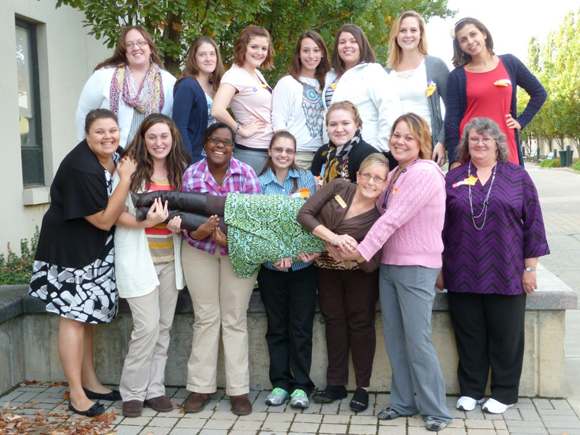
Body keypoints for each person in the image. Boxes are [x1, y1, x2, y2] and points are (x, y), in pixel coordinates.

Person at [341, 113, 452, 431]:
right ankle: (403, 402)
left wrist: (359, 253)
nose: (400, 142)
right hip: (389, 265)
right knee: (394, 339)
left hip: (417, 266)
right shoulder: (396, 172)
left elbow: (392, 219)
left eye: (409, 137)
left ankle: (437, 410)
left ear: (422, 142)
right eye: (396, 135)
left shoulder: (426, 173)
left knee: (418, 340)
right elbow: (377, 208)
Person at [29, 109, 137, 417]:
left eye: (112, 130)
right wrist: (125, 179)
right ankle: (76, 394)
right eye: (100, 132)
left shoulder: (113, 154)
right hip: (70, 252)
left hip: (92, 250)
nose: (108, 137)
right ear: (87, 135)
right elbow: (104, 220)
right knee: (73, 318)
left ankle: (90, 383)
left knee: (86, 317)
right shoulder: (81, 168)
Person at [437, 117, 550, 414]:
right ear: (466, 144)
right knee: (468, 333)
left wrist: (530, 268)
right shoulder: (454, 177)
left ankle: (505, 392)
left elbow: (534, 224)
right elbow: (440, 226)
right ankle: (471, 390)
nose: (480, 144)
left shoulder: (518, 176)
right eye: (474, 139)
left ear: (498, 143)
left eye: (486, 139)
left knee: (506, 335)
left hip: (506, 269)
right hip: (461, 269)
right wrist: (439, 266)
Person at [113, 114, 192, 417]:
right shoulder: (130, 171)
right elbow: (115, 213)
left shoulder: (181, 171)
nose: (159, 143)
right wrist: (146, 222)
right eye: (152, 137)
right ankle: (132, 392)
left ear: (173, 139)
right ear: (143, 140)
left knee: (163, 327)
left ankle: (154, 389)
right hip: (139, 258)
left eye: (164, 137)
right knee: (145, 328)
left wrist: (177, 226)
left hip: (171, 259)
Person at [179, 122, 261, 416]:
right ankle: (200, 387)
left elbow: (256, 223)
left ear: (232, 147)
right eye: (214, 140)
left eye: (226, 142)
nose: (220, 145)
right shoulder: (192, 174)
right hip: (199, 250)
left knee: (234, 318)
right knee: (205, 317)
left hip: (237, 253)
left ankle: (238, 391)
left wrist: (230, 239)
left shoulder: (247, 174)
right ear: (205, 143)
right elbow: (184, 217)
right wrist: (200, 232)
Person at [297, 153, 388, 412]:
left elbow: (373, 260)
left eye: (378, 178)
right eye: (367, 175)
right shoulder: (338, 187)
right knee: (334, 321)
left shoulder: (381, 215)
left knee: (360, 325)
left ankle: (363, 387)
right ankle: (335, 383)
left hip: (360, 275)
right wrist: (334, 240)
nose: (371, 182)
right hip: (326, 270)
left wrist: (351, 255)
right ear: (357, 176)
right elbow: (305, 215)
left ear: (384, 184)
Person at [256, 131, 318, 409]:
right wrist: (275, 255)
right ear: (269, 151)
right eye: (278, 149)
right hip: (272, 269)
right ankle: (280, 384)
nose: (283, 155)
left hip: (304, 266)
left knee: (302, 328)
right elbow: (256, 227)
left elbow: (316, 217)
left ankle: (301, 387)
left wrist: (308, 251)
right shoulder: (258, 184)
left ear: (294, 154)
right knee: (277, 328)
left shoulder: (306, 180)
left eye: (289, 151)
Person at [445, 17, 547, 170]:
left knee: (510, 191)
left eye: (473, 34)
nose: (470, 41)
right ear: (459, 46)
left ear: (484, 34)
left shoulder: (510, 63)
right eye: (463, 39)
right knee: (475, 194)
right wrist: (454, 160)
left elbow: (539, 93)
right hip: (472, 149)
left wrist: (522, 120)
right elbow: (452, 120)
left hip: (505, 145)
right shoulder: (457, 76)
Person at [76, 26, 176, 148]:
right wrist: (85, 149)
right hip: (110, 156)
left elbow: (173, 122)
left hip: (151, 157)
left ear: (150, 48)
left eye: (141, 42)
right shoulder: (103, 76)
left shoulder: (168, 81)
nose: (136, 48)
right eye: (129, 44)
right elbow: (84, 114)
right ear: (124, 51)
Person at [323, 24, 401, 158]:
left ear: (362, 45)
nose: (347, 45)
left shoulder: (373, 71)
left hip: (365, 153)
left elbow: (390, 110)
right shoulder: (331, 76)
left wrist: (378, 148)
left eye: (353, 41)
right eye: (342, 42)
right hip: (335, 154)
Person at [385, 11, 449, 166]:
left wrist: (442, 142)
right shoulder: (386, 72)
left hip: (426, 146)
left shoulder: (435, 65)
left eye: (413, 30)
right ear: (396, 35)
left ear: (421, 34)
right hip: (394, 148)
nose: (408, 35)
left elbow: (454, 109)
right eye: (403, 30)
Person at [211, 25, 275, 175]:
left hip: (266, 150)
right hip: (251, 152)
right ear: (243, 47)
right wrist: (241, 130)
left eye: (264, 48)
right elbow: (217, 109)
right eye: (254, 47)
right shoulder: (234, 75)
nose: (260, 52)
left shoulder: (257, 74)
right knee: (248, 198)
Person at [272, 30, 330, 170]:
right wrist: (286, 153)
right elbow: (278, 120)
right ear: (299, 54)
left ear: (322, 53)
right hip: (297, 154)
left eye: (316, 50)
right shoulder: (287, 83)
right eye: (306, 50)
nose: (311, 56)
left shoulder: (329, 82)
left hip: (324, 155)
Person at [173, 36, 225, 162]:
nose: (208, 59)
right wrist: (189, 162)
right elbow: (179, 128)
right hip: (193, 159)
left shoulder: (217, 87)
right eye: (202, 54)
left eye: (212, 54)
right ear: (194, 58)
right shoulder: (187, 86)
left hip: (212, 160)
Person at [311, 101, 379, 185]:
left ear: (357, 124)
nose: (339, 129)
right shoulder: (322, 152)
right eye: (333, 124)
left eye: (345, 123)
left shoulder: (367, 155)